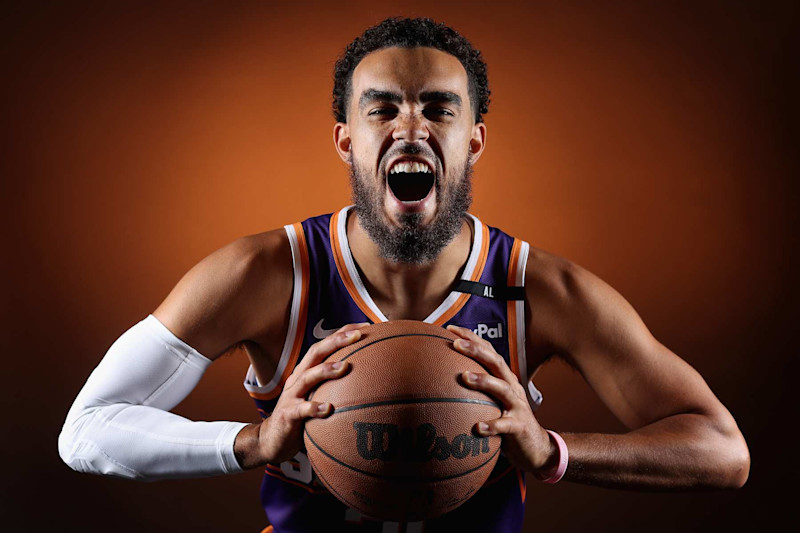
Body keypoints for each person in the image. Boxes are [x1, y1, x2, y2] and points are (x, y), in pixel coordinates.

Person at [58, 17, 750, 532]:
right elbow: (86, 429)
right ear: (346, 140)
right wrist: (252, 443)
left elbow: (722, 449)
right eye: (382, 107)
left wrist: (553, 451)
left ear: (472, 139)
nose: (410, 126)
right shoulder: (267, 273)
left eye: (439, 108)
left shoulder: (540, 290)